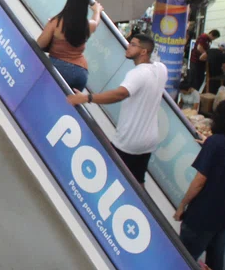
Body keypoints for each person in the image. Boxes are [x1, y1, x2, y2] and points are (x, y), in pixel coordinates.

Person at [67, 34, 168, 183]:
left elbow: (119, 94)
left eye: (133, 45)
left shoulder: (137, 73)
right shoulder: (161, 69)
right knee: (138, 181)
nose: (128, 47)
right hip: (148, 141)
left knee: (113, 180)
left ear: (143, 52)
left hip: (129, 141)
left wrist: (86, 98)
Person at [175, 101, 225, 270]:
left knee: (183, 262)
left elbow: (199, 181)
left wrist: (182, 205)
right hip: (224, 216)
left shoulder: (215, 143)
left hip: (201, 214)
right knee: (214, 268)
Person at [37, 0, 100, 92]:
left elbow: (40, 44)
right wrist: (97, 10)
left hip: (59, 67)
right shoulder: (88, 26)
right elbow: (96, 21)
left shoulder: (56, 22)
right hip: (81, 73)